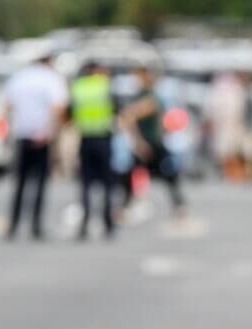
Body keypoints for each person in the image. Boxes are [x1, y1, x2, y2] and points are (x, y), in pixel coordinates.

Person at [4, 53, 68, 241]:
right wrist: (49, 131)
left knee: (20, 183)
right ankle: (36, 226)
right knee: (39, 184)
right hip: (42, 137)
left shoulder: (20, 77)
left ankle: (13, 225)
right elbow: (58, 107)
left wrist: (12, 128)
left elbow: (7, 104)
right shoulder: (51, 79)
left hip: (22, 135)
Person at [119, 65, 186, 217]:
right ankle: (124, 207)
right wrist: (139, 141)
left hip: (154, 143)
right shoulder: (146, 97)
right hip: (148, 144)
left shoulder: (151, 96)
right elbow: (130, 116)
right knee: (133, 176)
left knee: (168, 175)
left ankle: (179, 206)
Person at [70, 60, 116, 241]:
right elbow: (115, 110)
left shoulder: (78, 87)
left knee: (86, 185)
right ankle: (108, 223)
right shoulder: (104, 85)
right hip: (103, 138)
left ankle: (85, 224)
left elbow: (72, 112)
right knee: (107, 184)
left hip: (85, 139)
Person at [207, 71, 250, 183]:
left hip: (233, 126)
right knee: (227, 151)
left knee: (234, 151)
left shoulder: (236, 90)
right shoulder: (232, 90)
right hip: (226, 126)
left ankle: (235, 174)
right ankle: (230, 174)